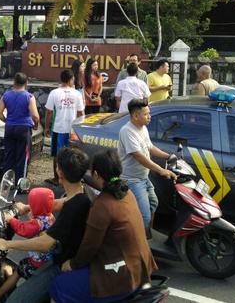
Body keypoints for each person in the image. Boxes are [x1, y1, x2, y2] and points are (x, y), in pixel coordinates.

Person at [51, 149, 157, 303]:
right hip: (141, 269)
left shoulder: (102, 206)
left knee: (59, 285)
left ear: (96, 175)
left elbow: (89, 247)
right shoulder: (126, 193)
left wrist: (72, 264)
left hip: (120, 277)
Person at [0, 146, 92, 303]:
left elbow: (45, 243)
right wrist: (26, 207)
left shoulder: (74, 208)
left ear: (60, 173)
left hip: (61, 264)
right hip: (62, 256)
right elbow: (56, 203)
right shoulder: (81, 193)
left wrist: (7, 243)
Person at [118, 99, 176, 232]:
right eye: (146, 114)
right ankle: (139, 242)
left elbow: (150, 147)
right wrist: (161, 170)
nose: (149, 117)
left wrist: (168, 156)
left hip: (144, 177)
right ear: (135, 116)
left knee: (153, 203)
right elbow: (139, 156)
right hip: (133, 180)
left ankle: (146, 233)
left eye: (149, 113)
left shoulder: (142, 128)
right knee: (144, 216)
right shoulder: (127, 131)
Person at [0, 187, 55, 301]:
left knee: (19, 270)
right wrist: (28, 209)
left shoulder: (37, 223)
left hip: (37, 263)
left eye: (32, 204)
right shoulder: (50, 217)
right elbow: (37, 217)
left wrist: (10, 219)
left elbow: (23, 229)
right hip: (47, 260)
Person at [0, 72, 39, 183]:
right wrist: (36, 125)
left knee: (9, 155)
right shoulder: (29, 96)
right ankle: (20, 184)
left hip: (10, 128)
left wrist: (6, 120)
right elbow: (35, 115)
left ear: (14, 82)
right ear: (26, 83)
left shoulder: (6, 95)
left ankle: (6, 183)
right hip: (23, 129)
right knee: (23, 157)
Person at [44, 69, 84, 186]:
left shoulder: (54, 93)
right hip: (72, 130)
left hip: (58, 128)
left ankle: (57, 178)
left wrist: (47, 127)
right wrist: (81, 129)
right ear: (71, 79)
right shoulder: (77, 93)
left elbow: (49, 112)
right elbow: (81, 113)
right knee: (72, 154)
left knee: (57, 155)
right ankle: (71, 178)